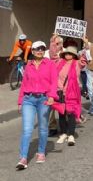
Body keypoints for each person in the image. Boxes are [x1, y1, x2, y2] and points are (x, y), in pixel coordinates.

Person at [16, 41, 57, 170]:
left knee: (43, 128)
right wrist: (20, 101)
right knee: (27, 129)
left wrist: (51, 96)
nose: (40, 51)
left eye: (42, 49)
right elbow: (24, 84)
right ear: (32, 51)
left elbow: (54, 81)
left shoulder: (50, 64)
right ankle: (23, 158)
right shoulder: (29, 65)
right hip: (29, 99)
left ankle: (41, 152)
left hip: (44, 99)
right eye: (37, 49)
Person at [53, 44, 83, 147]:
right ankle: (64, 133)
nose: (67, 55)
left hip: (72, 92)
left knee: (71, 113)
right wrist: (54, 43)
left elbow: (86, 60)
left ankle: (71, 135)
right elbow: (54, 74)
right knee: (61, 113)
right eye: (66, 53)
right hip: (60, 92)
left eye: (70, 53)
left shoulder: (77, 63)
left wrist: (87, 45)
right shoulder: (59, 62)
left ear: (74, 55)